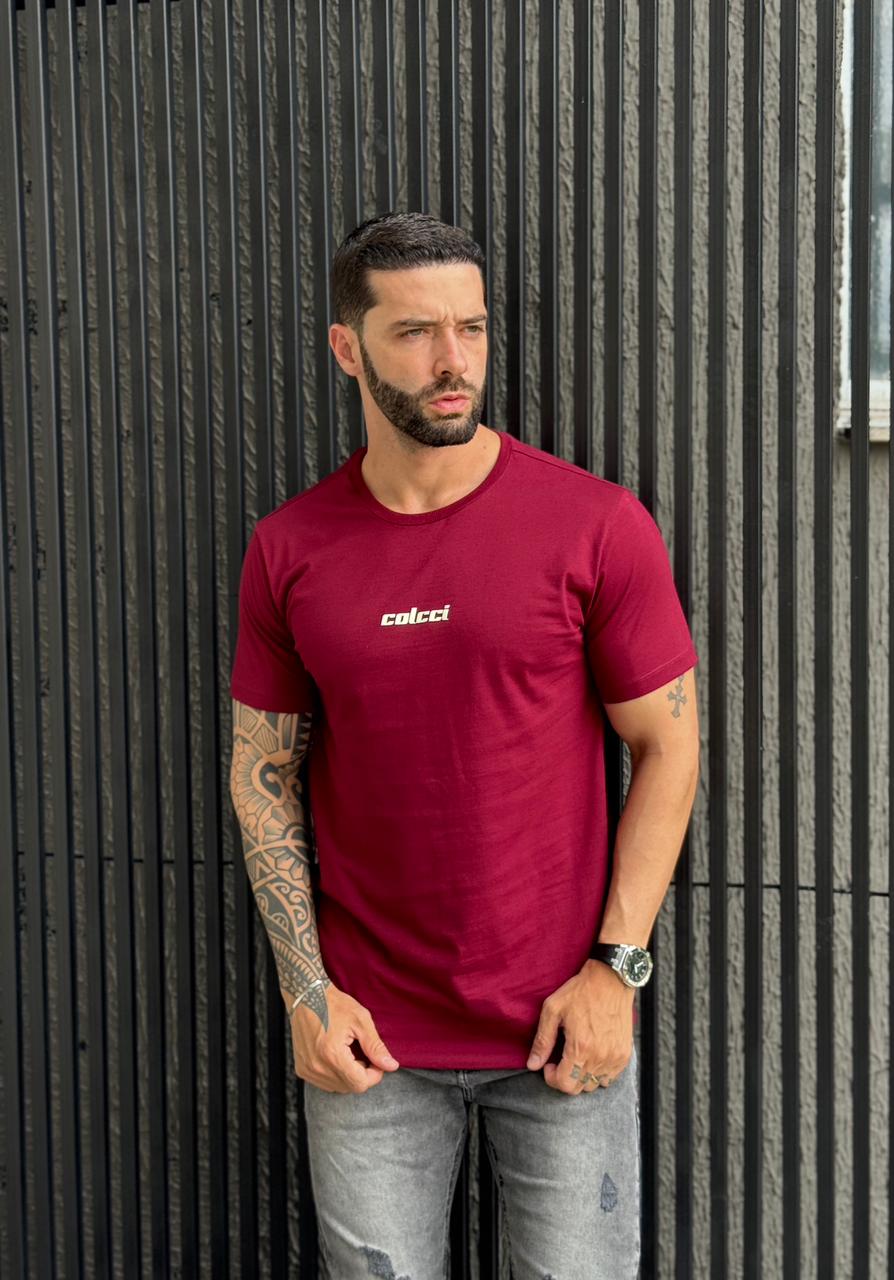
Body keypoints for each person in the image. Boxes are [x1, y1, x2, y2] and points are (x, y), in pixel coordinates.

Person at [229, 211, 700, 1280]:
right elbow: (263, 774)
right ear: (347, 347)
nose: (454, 363)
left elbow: (670, 749)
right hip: (369, 1044)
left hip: (561, 1030)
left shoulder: (593, 525)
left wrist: (616, 971)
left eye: (472, 329)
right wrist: (307, 991)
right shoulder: (290, 548)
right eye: (415, 332)